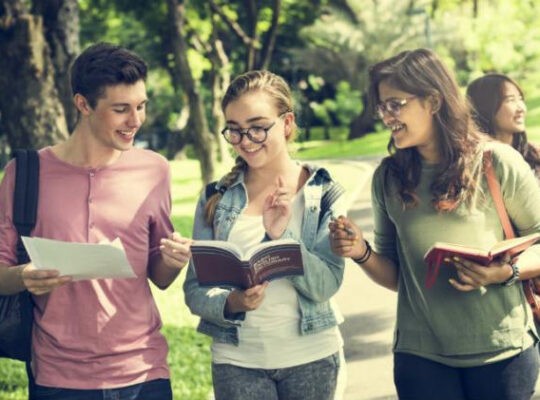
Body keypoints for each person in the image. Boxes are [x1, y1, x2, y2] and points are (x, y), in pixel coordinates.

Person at [329, 48, 540, 400]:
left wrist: (504, 272)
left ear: (433, 101)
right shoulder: (388, 178)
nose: (385, 117)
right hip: (420, 357)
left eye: (395, 104)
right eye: (381, 107)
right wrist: (361, 252)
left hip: (502, 352)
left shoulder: (498, 162)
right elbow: (401, 278)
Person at [0, 43, 191, 399]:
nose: (135, 121)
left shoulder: (154, 170)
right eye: (121, 109)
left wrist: (173, 260)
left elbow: (159, 277)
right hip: (58, 378)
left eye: (141, 106)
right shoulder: (24, 174)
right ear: (83, 105)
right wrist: (23, 277)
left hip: (144, 372)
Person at [183, 70, 346, 400]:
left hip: (311, 357)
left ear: (286, 124)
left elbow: (326, 286)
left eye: (258, 127)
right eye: (235, 130)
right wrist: (233, 302)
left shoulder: (322, 193)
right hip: (237, 361)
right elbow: (195, 290)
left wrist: (282, 234)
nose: (245, 141)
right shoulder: (215, 197)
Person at [467, 73, 540, 177]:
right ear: (487, 107)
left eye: (520, 99)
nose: (521, 108)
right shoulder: (471, 164)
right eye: (510, 100)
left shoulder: (534, 154)